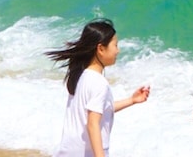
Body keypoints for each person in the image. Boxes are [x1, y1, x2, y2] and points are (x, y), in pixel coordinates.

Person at [46, 19, 151, 157]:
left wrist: (131, 100)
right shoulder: (99, 82)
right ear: (101, 48)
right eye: (115, 45)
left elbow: (99, 109)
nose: (118, 51)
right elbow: (93, 124)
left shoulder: (81, 76)